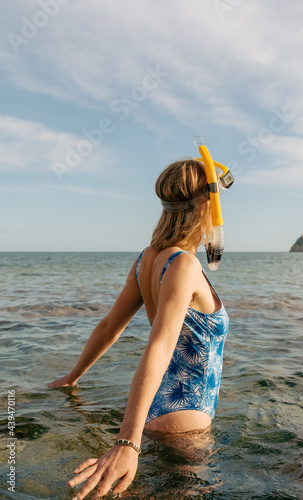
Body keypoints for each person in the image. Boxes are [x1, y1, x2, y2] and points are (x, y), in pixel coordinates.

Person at [48, 158, 229, 500]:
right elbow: (159, 346)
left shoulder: (148, 258)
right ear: (206, 203)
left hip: (157, 414)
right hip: (184, 424)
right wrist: (126, 443)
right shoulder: (185, 265)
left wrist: (73, 376)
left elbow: (109, 326)